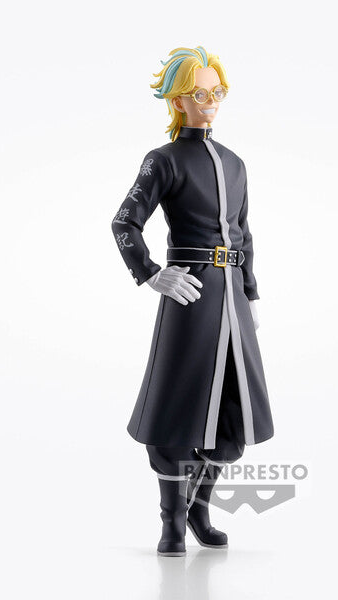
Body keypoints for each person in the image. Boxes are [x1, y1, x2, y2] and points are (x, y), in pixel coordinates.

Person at [110, 46, 274, 556]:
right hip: (192, 294)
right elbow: (124, 222)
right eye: (200, 94)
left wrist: (250, 291)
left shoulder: (235, 163)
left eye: (217, 92)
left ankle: (200, 509)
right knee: (176, 405)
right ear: (178, 100)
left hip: (233, 297)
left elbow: (243, 233)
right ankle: (172, 523)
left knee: (235, 409)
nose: (212, 101)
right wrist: (151, 274)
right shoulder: (163, 160)